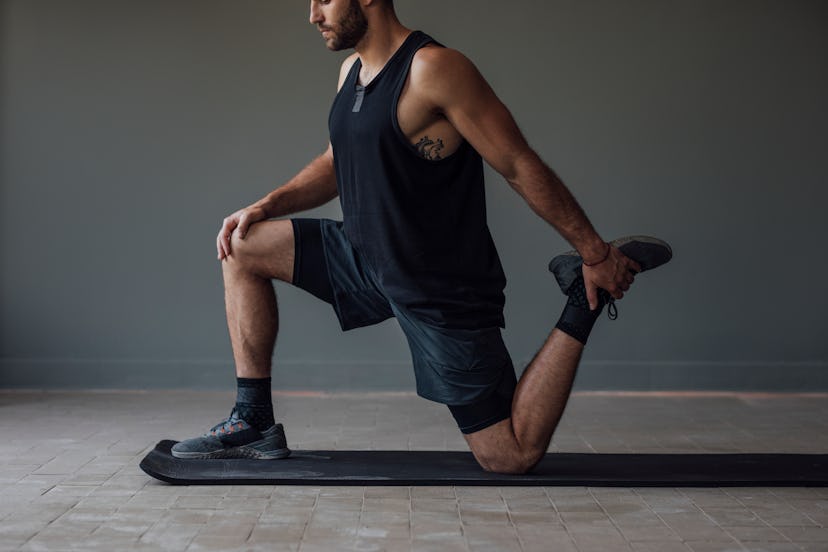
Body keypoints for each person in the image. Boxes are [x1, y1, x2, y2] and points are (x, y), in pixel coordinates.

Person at [170, 0, 671, 474]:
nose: (312, 15)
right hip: (364, 255)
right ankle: (253, 422)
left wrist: (595, 253)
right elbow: (336, 162)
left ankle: (581, 302)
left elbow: (518, 164)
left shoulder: (435, 69)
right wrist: (265, 206)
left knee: (509, 457)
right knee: (241, 247)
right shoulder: (352, 72)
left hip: (437, 286)